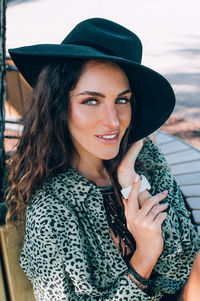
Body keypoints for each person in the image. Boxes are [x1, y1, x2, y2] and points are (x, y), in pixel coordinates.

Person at [6, 18, 200, 300]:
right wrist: (144, 256)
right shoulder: (53, 211)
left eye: (122, 100)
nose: (113, 121)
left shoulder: (147, 163)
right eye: (91, 101)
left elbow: (182, 268)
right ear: (59, 106)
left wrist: (134, 184)